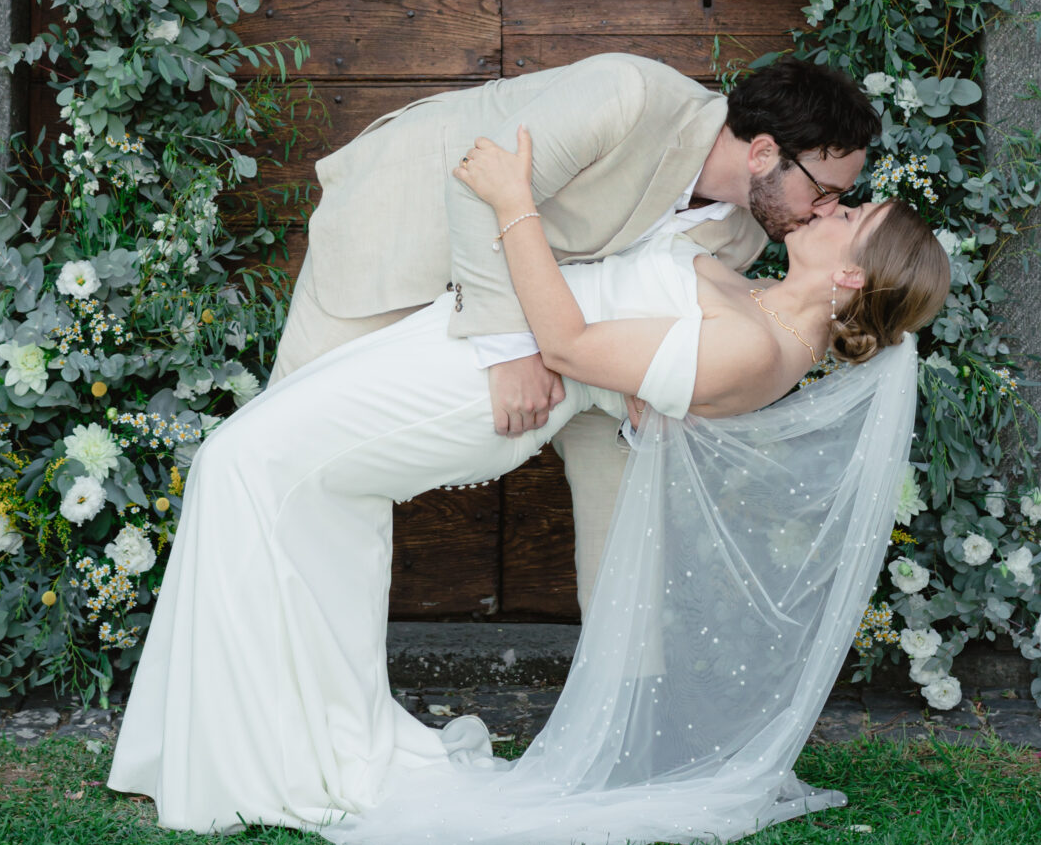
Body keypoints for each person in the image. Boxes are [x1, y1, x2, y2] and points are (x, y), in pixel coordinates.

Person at [107, 124, 948, 845]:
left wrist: (514, 202)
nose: (831, 207)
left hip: (479, 389)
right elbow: (652, 352)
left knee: (240, 460)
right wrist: (647, 386)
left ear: (849, 275)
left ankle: (249, 758)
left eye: (850, 217)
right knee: (293, 497)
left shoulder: (760, 349)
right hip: (466, 346)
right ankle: (276, 741)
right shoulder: (761, 300)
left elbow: (571, 345)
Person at [270, 54, 879, 603]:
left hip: (562, 331)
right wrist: (509, 350)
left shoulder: (745, 235)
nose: (826, 212)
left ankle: (622, 675)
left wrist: (654, 389)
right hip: (400, 234)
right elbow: (479, 185)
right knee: (285, 448)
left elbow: (643, 315)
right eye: (824, 192)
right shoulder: (629, 95)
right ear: (764, 154)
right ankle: (264, 627)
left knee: (625, 477)